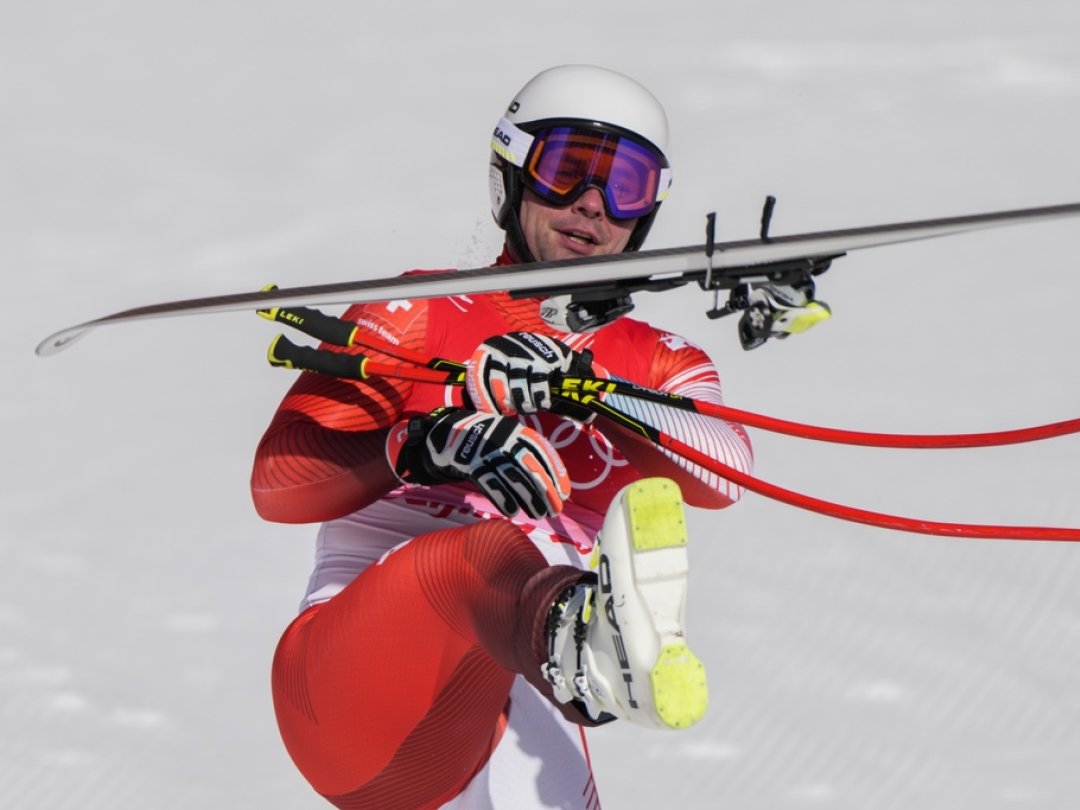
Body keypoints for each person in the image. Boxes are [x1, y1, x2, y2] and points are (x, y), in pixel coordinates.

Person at [252, 64, 753, 809]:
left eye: (628, 184)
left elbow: (725, 472)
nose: (593, 203)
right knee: (482, 553)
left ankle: (581, 644)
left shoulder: (658, 361)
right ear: (510, 178)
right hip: (355, 697)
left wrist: (591, 393)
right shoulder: (419, 310)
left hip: (498, 713)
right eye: (567, 171)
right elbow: (278, 483)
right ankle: (586, 647)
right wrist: (421, 443)